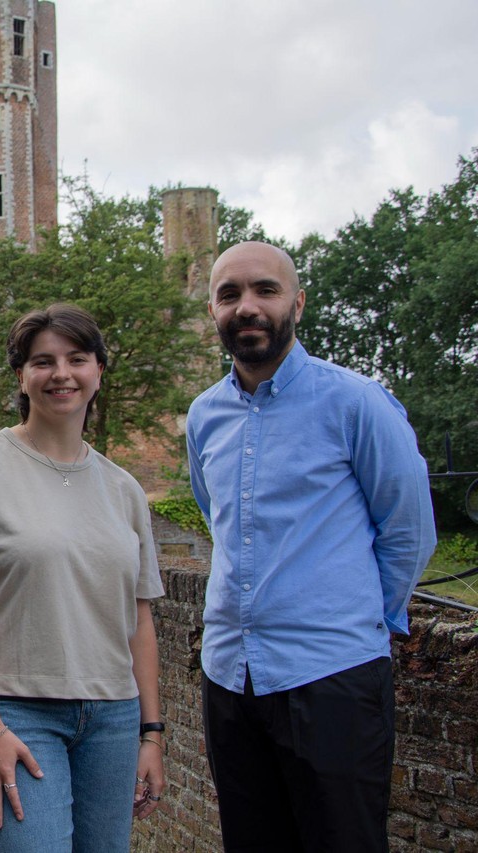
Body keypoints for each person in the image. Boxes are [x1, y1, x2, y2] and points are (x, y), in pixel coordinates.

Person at [186, 241, 436, 852]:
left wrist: (353, 619)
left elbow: (409, 530)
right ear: (212, 312)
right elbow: (216, 519)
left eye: (264, 290)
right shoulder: (204, 415)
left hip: (333, 675)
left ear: (297, 302)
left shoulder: (355, 402)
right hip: (229, 676)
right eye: (229, 295)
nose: (247, 306)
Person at [0, 304, 166, 852]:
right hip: (16, 709)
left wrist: (151, 733)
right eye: (42, 361)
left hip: (113, 718)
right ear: (21, 376)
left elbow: (140, 619)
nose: (61, 374)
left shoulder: (124, 489)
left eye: (77, 359)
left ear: (99, 370)